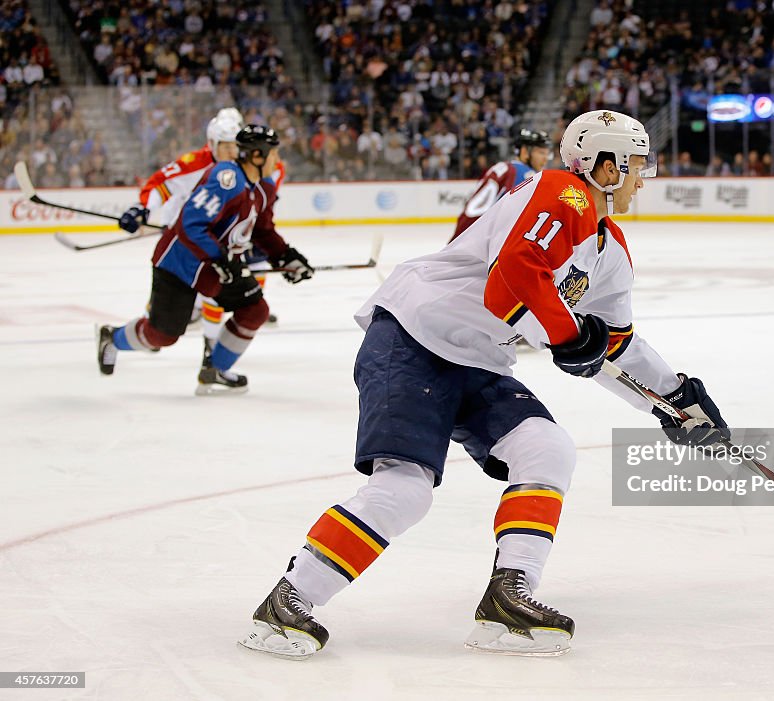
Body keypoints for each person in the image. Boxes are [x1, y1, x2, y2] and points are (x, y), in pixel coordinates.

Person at [239, 110, 729, 658]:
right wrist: (568, 335)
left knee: (548, 448)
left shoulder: (607, 250)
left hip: (479, 358)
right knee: (405, 491)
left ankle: (507, 597)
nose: (645, 177)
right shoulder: (560, 192)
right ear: (603, 166)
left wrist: (674, 397)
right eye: (637, 164)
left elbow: (613, 346)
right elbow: (513, 280)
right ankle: (289, 600)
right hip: (414, 335)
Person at [96, 126, 314, 395]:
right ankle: (113, 338)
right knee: (162, 335)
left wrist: (286, 256)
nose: (277, 161)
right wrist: (220, 258)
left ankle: (215, 369)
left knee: (255, 310)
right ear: (257, 155)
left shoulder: (264, 187)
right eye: (274, 154)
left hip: (215, 268)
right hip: (180, 264)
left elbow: (262, 230)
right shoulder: (227, 179)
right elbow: (191, 224)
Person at [118, 109, 285, 363]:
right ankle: (151, 327)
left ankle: (211, 351)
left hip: (216, 244)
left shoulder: (250, 169)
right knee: (164, 324)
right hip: (186, 243)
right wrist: (142, 208)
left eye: (234, 146)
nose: (231, 152)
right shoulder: (195, 163)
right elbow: (162, 186)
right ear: (212, 144)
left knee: (225, 292)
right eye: (225, 146)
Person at [450, 128, 551, 241]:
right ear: (524, 151)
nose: (545, 158)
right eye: (541, 152)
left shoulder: (503, 168)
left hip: (470, 241)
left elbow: (472, 213)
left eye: (547, 153)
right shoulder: (526, 175)